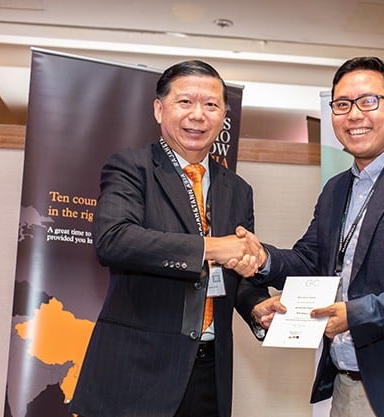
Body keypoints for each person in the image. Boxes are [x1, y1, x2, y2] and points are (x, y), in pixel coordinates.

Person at [242, 56, 384, 417]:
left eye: (368, 101)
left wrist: (356, 314)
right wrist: (264, 259)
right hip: (345, 386)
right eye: (342, 104)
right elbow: (311, 261)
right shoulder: (336, 189)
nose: (354, 115)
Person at [70, 59, 276, 417]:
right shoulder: (131, 168)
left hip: (208, 373)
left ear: (223, 115)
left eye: (211, 105)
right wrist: (210, 247)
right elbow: (113, 239)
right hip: (135, 371)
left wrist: (257, 306)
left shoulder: (238, 190)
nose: (198, 115)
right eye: (185, 102)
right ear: (158, 109)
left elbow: (236, 273)